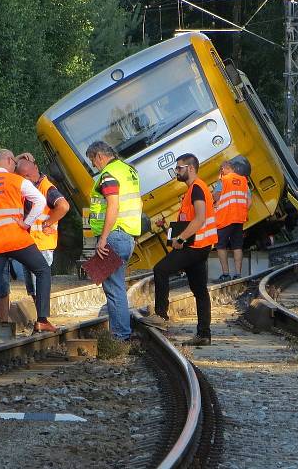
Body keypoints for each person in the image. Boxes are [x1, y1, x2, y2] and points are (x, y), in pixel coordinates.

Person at [0, 149, 55, 344]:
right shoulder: (17, 181)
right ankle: (42, 319)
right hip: (17, 239)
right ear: (7, 160)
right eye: (13, 162)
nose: (15, 165)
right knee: (42, 270)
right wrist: (27, 223)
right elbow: (40, 201)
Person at [146, 153, 217, 346]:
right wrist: (171, 230)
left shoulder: (197, 189)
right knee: (199, 290)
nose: (176, 172)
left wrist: (180, 238)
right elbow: (190, 218)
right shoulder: (193, 190)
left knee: (161, 269)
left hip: (194, 246)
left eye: (179, 168)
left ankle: (161, 316)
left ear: (190, 168)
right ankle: (204, 335)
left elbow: (200, 218)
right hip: (199, 246)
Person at [85, 141, 142, 343]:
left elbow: (113, 206)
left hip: (114, 236)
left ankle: (120, 336)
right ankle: (121, 331)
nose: (95, 166)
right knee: (116, 284)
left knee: (114, 287)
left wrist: (103, 238)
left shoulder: (109, 174)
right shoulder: (128, 170)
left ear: (99, 156)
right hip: (127, 235)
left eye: (93, 161)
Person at [14, 152, 70, 302]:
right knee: (33, 288)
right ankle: (41, 318)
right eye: (23, 176)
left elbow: (63, 206)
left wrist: (48, 222)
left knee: (39, 286)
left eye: (28, 174)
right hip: (31, 244)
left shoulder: (47, 188)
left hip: (41, 244)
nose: (27, 178)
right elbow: (6, 169)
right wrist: (18, 158)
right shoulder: (33, 187)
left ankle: (43, 319)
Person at [213, 161, 250, 282]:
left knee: (221, 246)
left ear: (225, 168)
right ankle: (238, 274)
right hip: (239, 219)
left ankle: (226, 274)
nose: (221, 172)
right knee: (237, 246)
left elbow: (215, 197)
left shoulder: (223, 180)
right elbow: (249, 202)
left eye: (221, 170)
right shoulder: (244, 181)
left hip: (225, 218)